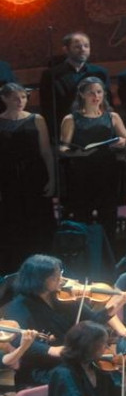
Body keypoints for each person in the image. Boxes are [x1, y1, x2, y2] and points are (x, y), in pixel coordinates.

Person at [6, 254, 125, 389]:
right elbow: (17, 340)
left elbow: (92, 321)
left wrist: (116, 305)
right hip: (41, 366)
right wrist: (51, 349)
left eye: (60, 274)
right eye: (54, 277)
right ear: (38, 279)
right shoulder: (19, 306)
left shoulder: (64, 298)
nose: (60, 280)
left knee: (108, 376)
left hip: (71, 359)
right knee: (77, 377)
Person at [59, 76, 126, 241]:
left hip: (107, 170)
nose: (96, 96)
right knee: (81, 213)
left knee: (108, 213)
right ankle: (84, 252)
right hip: (81, 171)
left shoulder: (112, 117)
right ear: (82, 94)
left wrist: (121, 142)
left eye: (99, 92)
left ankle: (108, 250)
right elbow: (63, 148)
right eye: (91, 92)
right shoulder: (71, 119)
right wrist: (77, 153)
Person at [0, 83, 56, 269]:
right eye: (15, 98)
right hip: (8, 177)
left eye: (23, 97)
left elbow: (46, 151)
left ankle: (42, 263)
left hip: (34, 174)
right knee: (13, 219)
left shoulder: (37, 119)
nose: (20, 101)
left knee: (38, 219)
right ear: (5, 98)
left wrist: (52, 178)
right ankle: (14, 265)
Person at [38, 31, 109, 130]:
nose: (83, 49)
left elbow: (106, 101)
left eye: (86, 46)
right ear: (66, 49)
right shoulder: (51, 75)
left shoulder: (99, 72)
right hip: (65, 126)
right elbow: (47, 107)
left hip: (96, 125)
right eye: (77, 47)